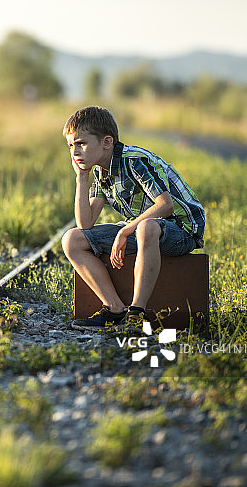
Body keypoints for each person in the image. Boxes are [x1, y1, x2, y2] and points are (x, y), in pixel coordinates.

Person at [60, 106, 205, 331]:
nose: (75, 151)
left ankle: (136, 313)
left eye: (81, 143)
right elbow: (85, 224)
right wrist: (82, 177)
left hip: (182, 230)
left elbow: (165, 205)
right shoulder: (100, 172)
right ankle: (114, 309)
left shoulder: (134, 161)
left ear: (107, 142)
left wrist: (125, 230)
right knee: (72, 240)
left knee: (146, 227)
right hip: (146, 230)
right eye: (71, 146)